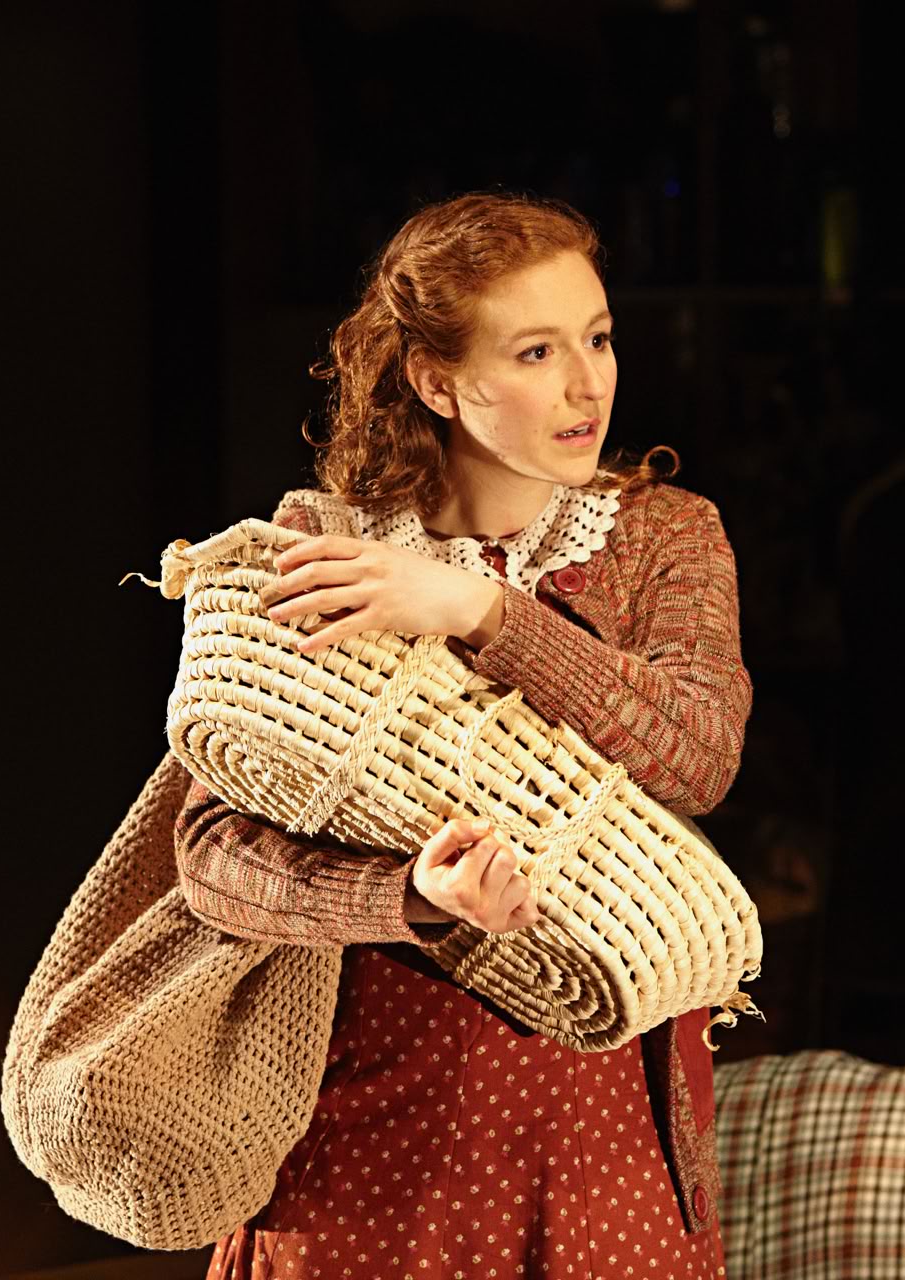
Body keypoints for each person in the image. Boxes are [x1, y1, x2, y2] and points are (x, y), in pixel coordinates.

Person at [176, 191, 753, 1279]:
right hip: (365, 1133)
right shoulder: (322, 546)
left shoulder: (662, 539)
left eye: (597, 338)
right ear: (437, 382)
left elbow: (696, 753)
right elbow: (212, 859)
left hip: (601, 1134)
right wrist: (409, 897)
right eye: (536, 351)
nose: (587, 383)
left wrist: (480, 611)